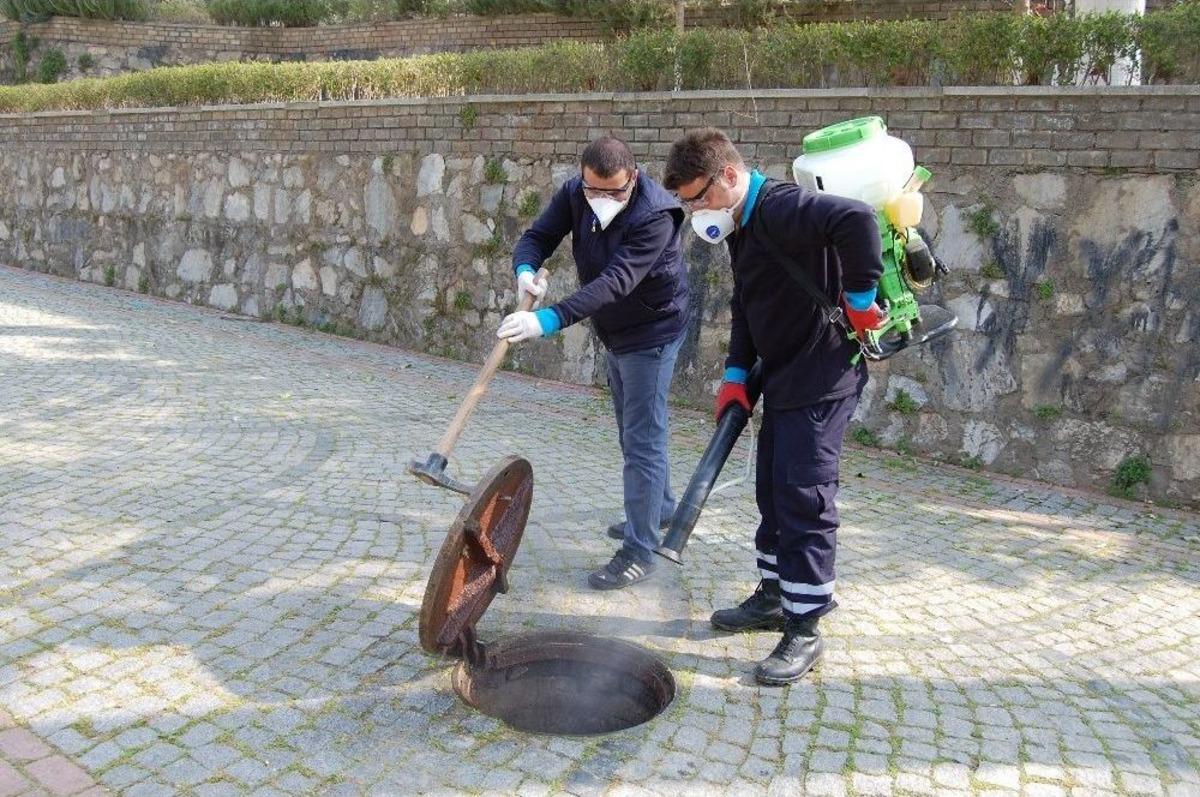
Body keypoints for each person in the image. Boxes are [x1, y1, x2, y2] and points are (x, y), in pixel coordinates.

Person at [662, 127, 886, 685]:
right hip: (781, 375)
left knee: (805, 496)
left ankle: (806, 627)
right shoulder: (743, 223)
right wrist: (738, 371)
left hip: (822, 374)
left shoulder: (782, 207)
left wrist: (859, 298)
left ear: (729, 177)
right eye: (687, 202)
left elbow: (856, 220)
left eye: (698, 197)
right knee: (771, 488)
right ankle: (772, 595)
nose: (695, 211)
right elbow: (749, 300)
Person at [497, 135, 689, 590]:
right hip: (616, 331)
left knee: (642, 438)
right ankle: (658, 509)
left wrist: (547, 319)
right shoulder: (574, 193)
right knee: (631, 427)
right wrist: (526, 268)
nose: (601, 201)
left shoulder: (656, 216)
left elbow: (615, 282)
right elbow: (537, 237)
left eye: (614, 192)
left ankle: (640, 550)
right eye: (593, 191)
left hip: (653, 333)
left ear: (633, 178)